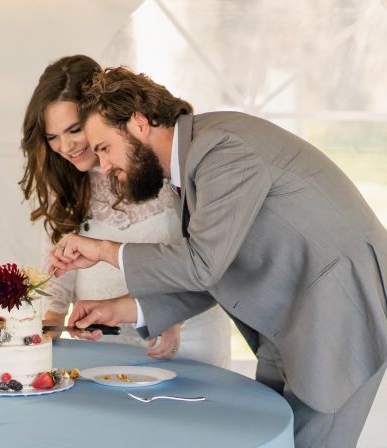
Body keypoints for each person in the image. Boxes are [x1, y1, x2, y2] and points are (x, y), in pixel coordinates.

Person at [49, 66, 387, 448]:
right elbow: (217, 269)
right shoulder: (198, 156)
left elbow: (202, 263)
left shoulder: (221, 149)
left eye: (104, 148)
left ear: (139, 122)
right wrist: (120, 310)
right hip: (293, 321)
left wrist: (104, 250)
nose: (103, 164)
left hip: (338, 315)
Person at [19, 55, 231, 367]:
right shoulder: (64, 180)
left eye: (74, 130)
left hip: (185, 335)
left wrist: (172, 318)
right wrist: (44, 332)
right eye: (52, 137)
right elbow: (57, 279)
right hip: (104, 342)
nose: (65, 146)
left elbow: (205, 257)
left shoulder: (155, 163)